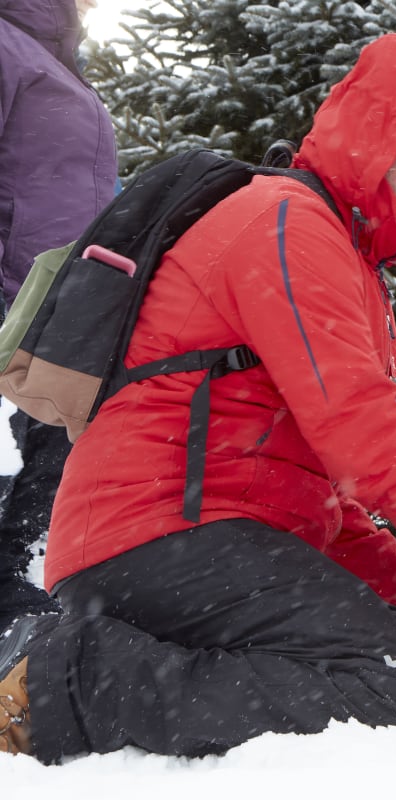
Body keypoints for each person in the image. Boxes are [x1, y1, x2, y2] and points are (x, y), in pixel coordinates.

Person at [0, 33, 396, 762]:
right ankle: (67, 678)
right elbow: (364, 438)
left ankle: (109, 670)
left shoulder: (342, 253)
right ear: (375, 141)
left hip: (228, 532)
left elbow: (318, 478)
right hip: (158, 532)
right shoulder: (286, 222)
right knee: (389, 687)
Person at [0, 0, 120, 631]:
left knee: (57, 453)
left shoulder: (54, 57)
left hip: (62, 304)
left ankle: (27, 601)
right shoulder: (8, 45)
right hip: (15, 299)